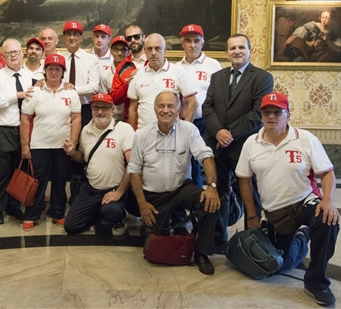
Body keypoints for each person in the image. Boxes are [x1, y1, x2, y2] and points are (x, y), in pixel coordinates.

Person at [236, 92, 340, 306]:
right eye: (266, 112)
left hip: (305, 200)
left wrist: (327, 200)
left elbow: (327, 173)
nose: (271, 117)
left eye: (277, 112)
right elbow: (244, 181)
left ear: (288, 114)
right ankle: (302, 237)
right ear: (261, 115)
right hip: (276, 212)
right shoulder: (251, 143)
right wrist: (253, 216)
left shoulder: (305, 138)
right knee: (277, 265)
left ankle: (317, 282)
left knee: (327, 220)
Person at [128, 91, 220, 275]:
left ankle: (201, 253)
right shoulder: (142, 135)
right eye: (161, 106)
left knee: (211, 204)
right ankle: (164, 222)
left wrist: (212, 187)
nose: (166, 110)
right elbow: (134, 171)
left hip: (180, 190)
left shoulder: (189, 130)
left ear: (179, 109)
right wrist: (142, 204)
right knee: (158, 239)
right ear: (155, 110)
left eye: (170, 106)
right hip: (154, 195)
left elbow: (206, 156)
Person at [202, 34, 274, 251]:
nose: (237, 51)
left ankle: (252, 240)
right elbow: (208, 108)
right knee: (219, 193)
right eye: (232, 48)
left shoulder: (262, 78)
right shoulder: (218, 77)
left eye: (241, 47)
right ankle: (218, 238)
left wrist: (229, 133)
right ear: (226, 52)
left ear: (250, 50)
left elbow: (257, 113)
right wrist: (219, 132)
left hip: (245, 146)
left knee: (250, 195)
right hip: (218, 147)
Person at [20, 53, 81, 231]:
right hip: (40, 145)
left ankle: (58, 213)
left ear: (63, 72)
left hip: (62, 146)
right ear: (44, 71)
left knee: (60, 182)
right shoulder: (35, 91)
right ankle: (31, 214)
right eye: (50, 68)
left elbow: (76, 118)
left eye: (58, 69)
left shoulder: (70, 92)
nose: (54, 72)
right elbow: (25, 119)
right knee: (37, 182)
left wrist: (74, 142)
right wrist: (25, 145)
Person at [63, 93, 137, 236]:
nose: (100, 112)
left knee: (111, 211)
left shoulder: (124, 129)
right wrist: (72, 153)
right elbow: (82, 158)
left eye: (105, 108)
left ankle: (117, 219)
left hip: (114, 188)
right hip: (90, 189)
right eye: (96, 107)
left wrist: (120, 192)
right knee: (71, 226)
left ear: (112, 109)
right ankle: (100, 213)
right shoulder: (86, 130)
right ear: (91, 109)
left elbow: (133, 163)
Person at [0, 39, 34, 225]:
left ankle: (14, 207)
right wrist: (18, 95)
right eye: (8, 53)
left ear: (22, 53)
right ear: (3, 56)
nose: (13, 55)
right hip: (0, 130)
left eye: (16, 52)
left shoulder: (30, 77)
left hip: (21, 132)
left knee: (18, 172)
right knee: (0, 174)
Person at [176, 24, 222, 187]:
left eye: (196, 41)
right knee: (187, 163)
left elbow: (220, 97)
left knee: (208, 160)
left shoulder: (213, 65)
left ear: (202, 43)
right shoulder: (176, 68)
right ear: (182, 43)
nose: (192, 45)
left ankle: (213, 196)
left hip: (206, 122)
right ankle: (194, 198)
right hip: (183, 122)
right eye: (188, 41)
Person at [127, 33, 198, 129]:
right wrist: (131, 134)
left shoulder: (178, 72)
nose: (153, 53)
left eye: (157, 49)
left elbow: (192, 102)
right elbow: (132, 109)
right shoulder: (137, 76)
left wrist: (185, 130)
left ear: (165, 50)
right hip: (144, 134)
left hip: (172, 134)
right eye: (149, 49)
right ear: (144, 51)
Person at [62, 20, 99, 126]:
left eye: (76, 34)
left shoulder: (91, 59)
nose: (72, 37)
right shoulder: (59, 58)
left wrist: (74, 89)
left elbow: (94, 87)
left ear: (81, 38)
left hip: (85, 108)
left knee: (84, 140)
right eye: (68, 34)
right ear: (64, 38)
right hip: (62, 107)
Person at [99, 36, 131, 122]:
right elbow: (104, 100)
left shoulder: (133, 72)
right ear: (111, 51)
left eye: (123, 50)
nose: (120, 53)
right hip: (112, 119)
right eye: (116, 49)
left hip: (130, 118)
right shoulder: (105, 75)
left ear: (128, 52)